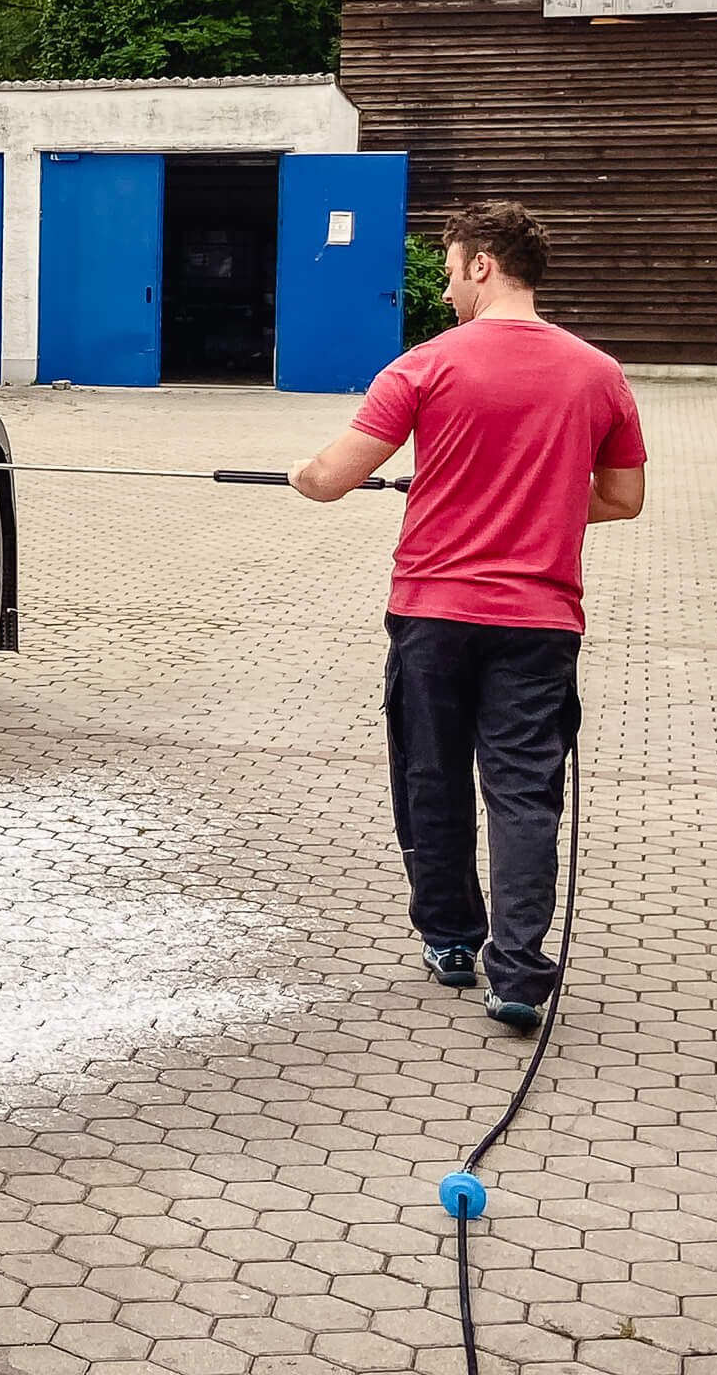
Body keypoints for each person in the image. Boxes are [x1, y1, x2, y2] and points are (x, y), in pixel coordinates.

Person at [287, 201, 646, 1032]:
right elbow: (623, 498)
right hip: (541, 622)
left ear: (483, 264)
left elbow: (333, 478)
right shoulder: (600, 373)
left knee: (432, 777)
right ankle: (517, 976)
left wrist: (302, 473)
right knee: (525, 795)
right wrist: (542, 500)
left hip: (434, 614)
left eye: (450, 271)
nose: (446, 289)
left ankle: (451, 939)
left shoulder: (424, 365)